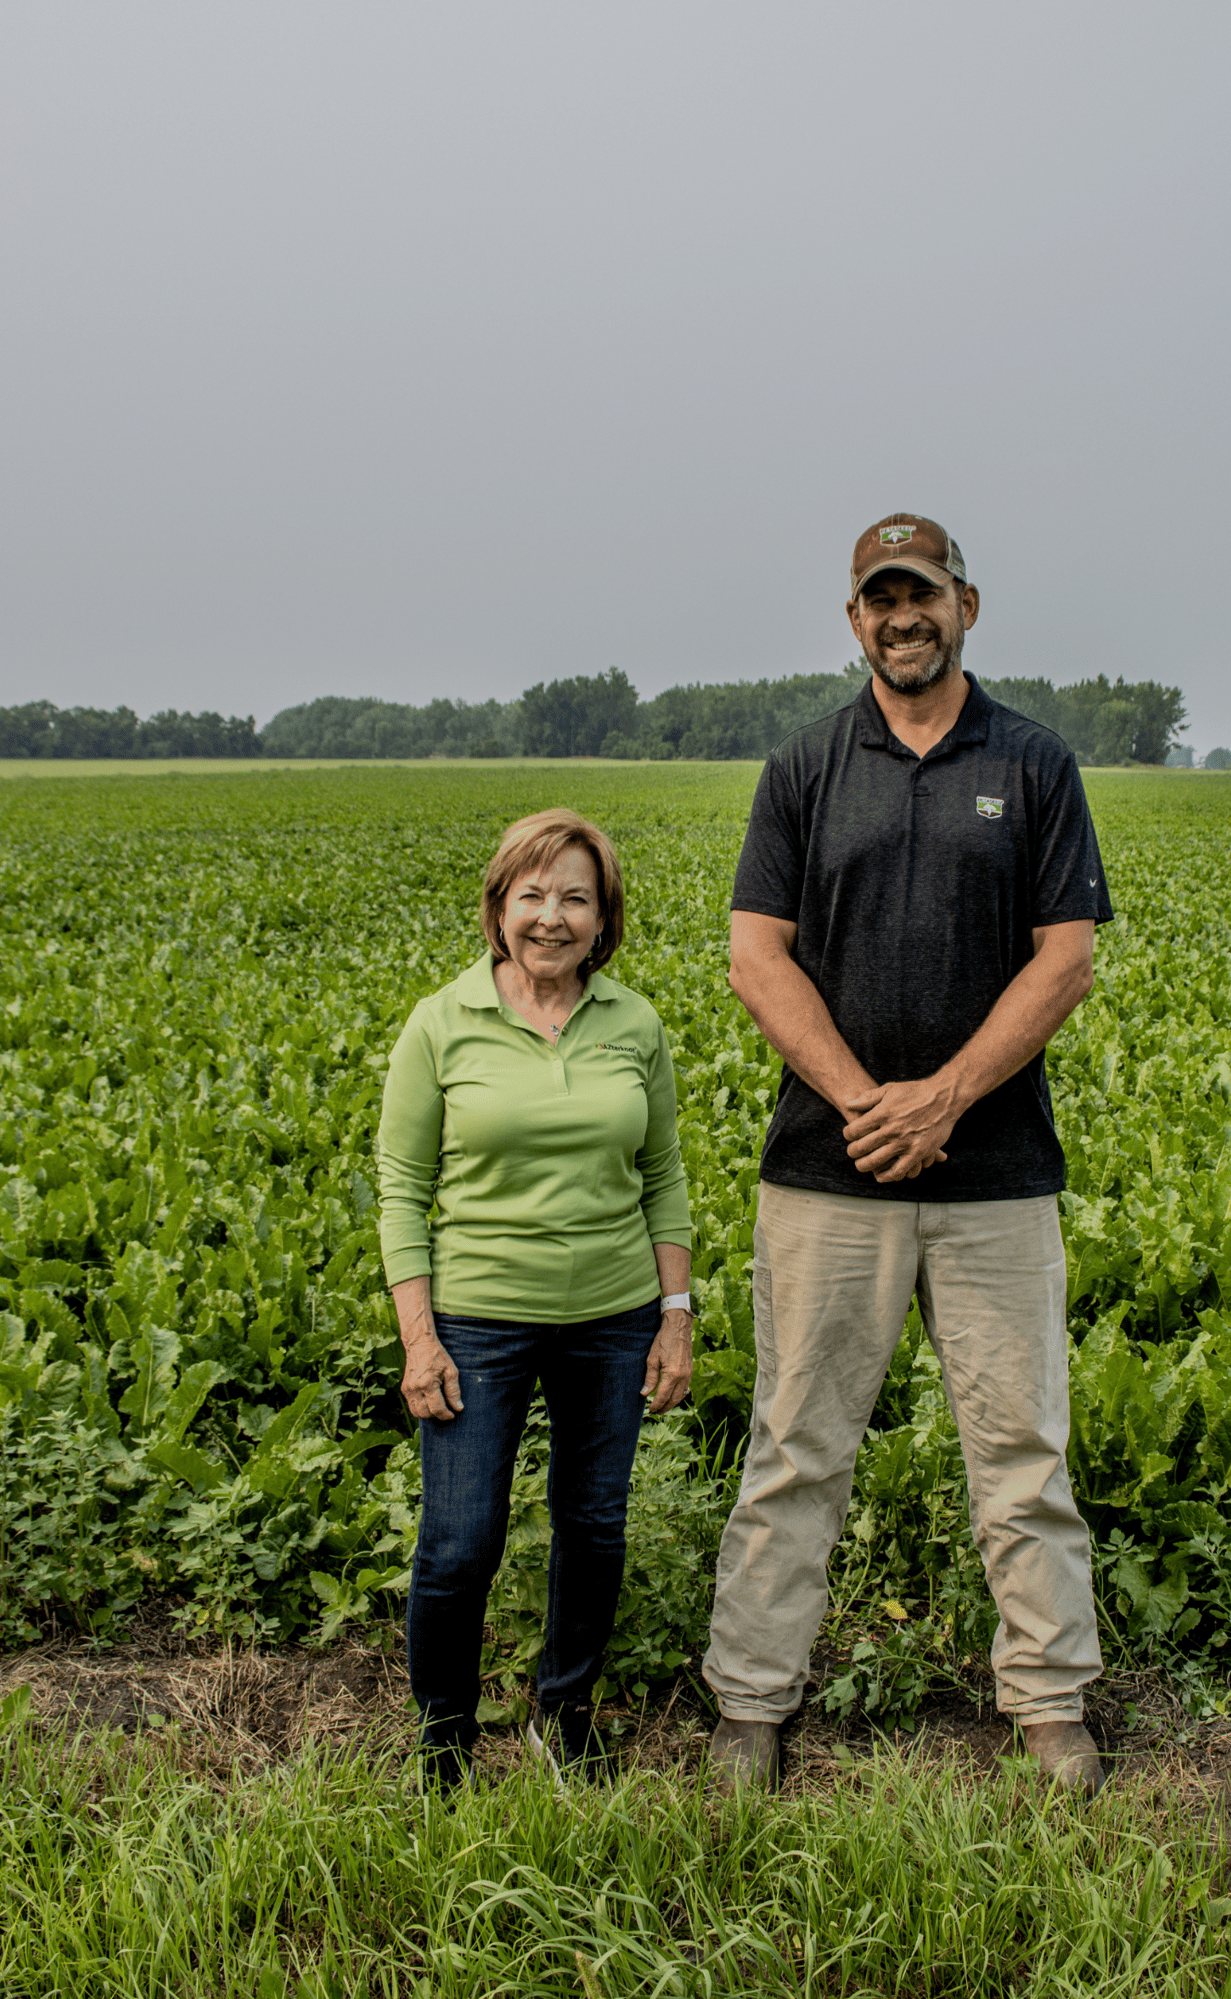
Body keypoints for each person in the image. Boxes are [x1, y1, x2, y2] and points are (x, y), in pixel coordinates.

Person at [702, 513, 1112, 1796]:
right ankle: (752, 1703)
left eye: (922, 594)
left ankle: (1049, 1705)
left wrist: (945, 1096)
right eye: (881, 599)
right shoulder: (807, 765)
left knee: (1021, 1448)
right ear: (854, 619)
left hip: (995, 1179)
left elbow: (1068, 957)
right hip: (827, 1177)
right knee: (795, 1443)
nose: (903, 617)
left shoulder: (1034, 764)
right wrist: (864, 1099)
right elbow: (754, 954)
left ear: (967, 605)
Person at [376, 808, 695, 1784]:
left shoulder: (633, 1023)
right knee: (460, 1539)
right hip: (478, 1319)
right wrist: (420, 1338)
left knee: (593, 1526)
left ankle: (567, 1712)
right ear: (498, 906)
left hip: (612, 1316)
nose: (551, 917)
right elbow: (402, 1185)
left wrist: (675, 1317)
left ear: (604, 919)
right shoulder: (443, 1021)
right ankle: (443, 1734)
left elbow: (665, 1178)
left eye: (575, 898)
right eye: (532, 895)